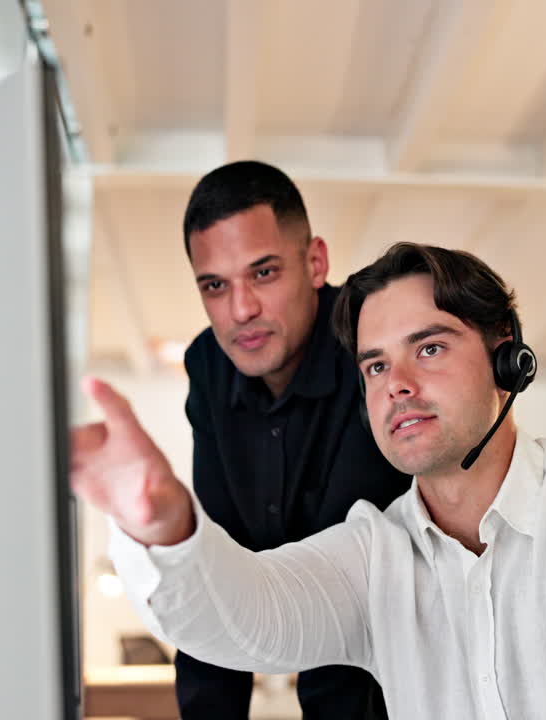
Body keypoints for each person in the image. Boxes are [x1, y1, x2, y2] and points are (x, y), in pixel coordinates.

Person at [71, 243, 546, 720]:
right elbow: (241, 618)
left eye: (429, 349)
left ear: (508, 359)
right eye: (375, 365)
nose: (396, 384)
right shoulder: (373, 554)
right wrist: (161, 526)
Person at [172, 161, 410, 719]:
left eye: (263, 273)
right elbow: (215, 571)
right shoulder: (208, 365)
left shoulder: (369, 343)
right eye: (215, 285)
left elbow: (347, 581)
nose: (241, 310)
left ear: (315, 262)